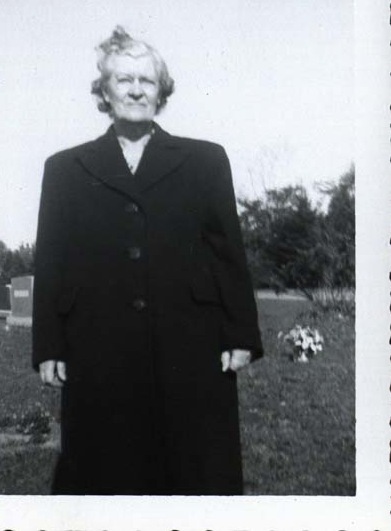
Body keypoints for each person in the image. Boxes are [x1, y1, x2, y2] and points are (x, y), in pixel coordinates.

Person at [32, 26, 263, 495]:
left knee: (195, 470)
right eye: (123, 80)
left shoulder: (205, 160)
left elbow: (227, 253)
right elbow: (52, 258)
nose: (136, 89)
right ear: (104, 91)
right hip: (97, 345)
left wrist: (240, 333)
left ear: (162, 92)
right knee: (104, 473)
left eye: (147, 81)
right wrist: (49, 344)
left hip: (191, 345)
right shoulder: (65, 169)